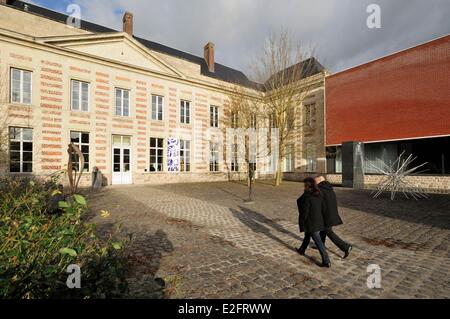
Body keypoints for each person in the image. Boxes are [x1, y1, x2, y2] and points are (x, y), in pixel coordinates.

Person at [314, 175, 352, 259]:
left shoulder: (320, 189)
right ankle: (321, 244)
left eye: (316, 182)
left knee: (328, 231)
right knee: (323, 229)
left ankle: (346, 247)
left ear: (320, 181)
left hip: (326, 214)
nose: (315, 184)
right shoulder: (328, 188)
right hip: (330, 213)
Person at [296, 177, 331, 268]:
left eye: (304, 185)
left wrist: (303, 220)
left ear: (307, 186)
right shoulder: (319, 193)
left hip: (312, 222)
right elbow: (324, 208)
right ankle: (302, 249)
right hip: (319, 220)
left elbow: (305, 211)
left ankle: (326, 260)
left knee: (318, 241)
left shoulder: (307, 195)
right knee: (307, 235)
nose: (303, 186)